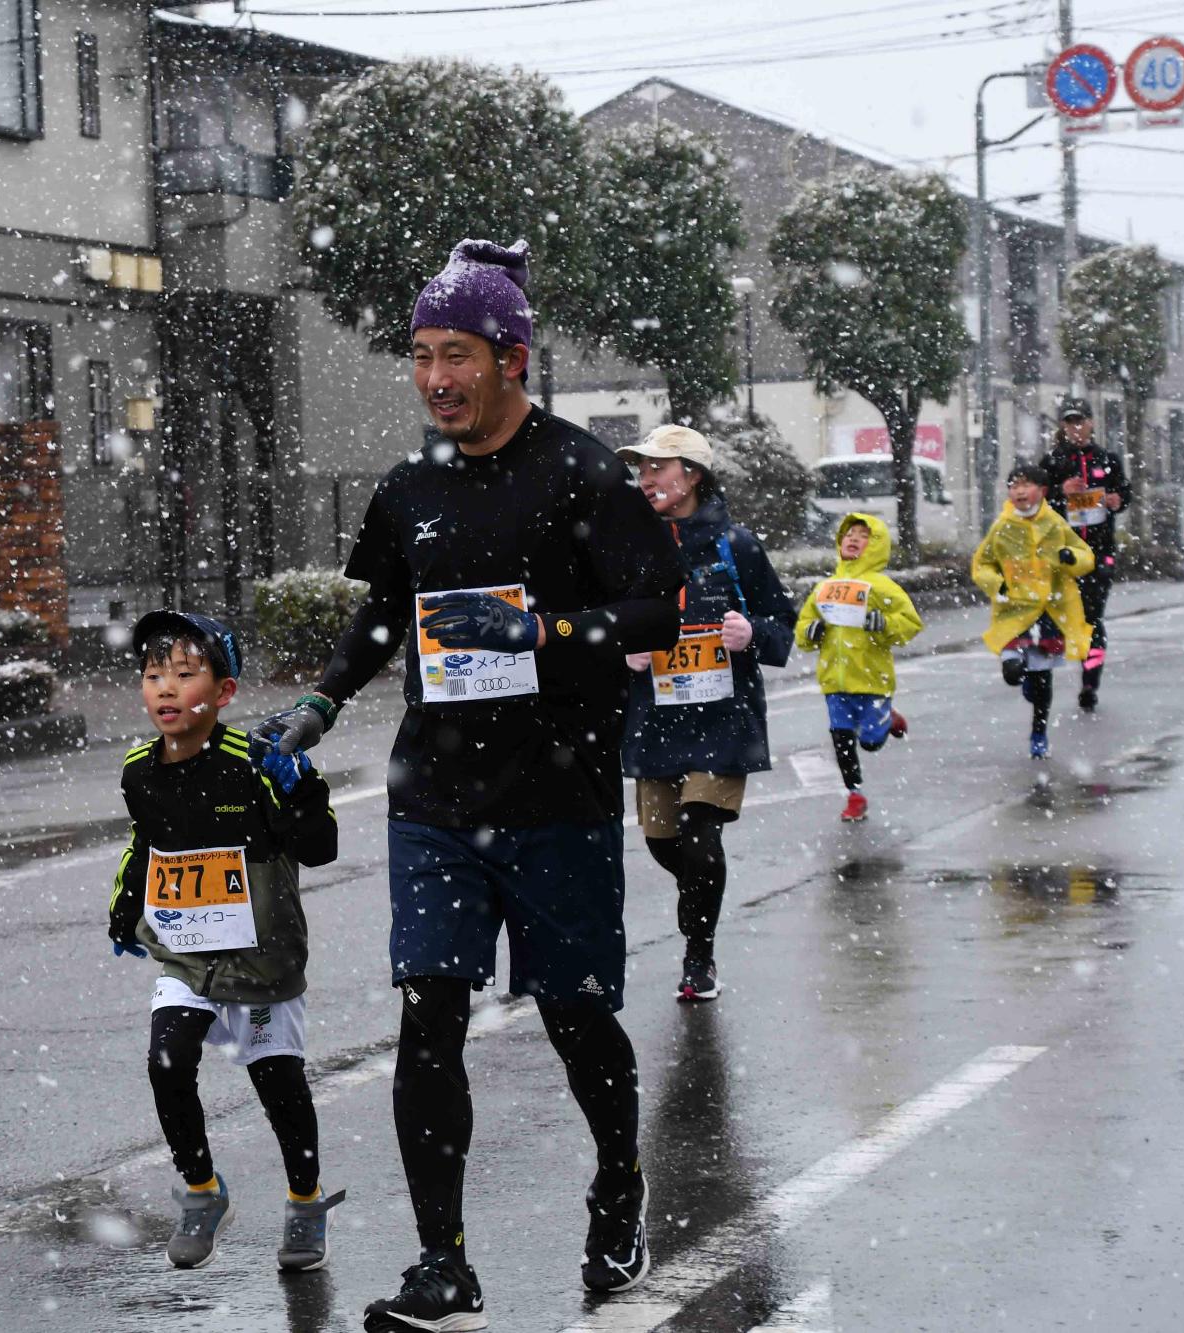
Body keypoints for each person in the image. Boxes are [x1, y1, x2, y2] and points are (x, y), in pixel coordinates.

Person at [251, 238, 686, 1330]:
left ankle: (618, 1187)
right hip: (437, 799)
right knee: (428, 1012)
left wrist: (543, 627)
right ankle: (442, 1264)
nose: (435, 376)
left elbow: (657, 611)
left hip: (560, 796)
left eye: (455, 354)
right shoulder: (409, 489)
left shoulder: (585, 474)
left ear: (510, 358)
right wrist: (322, 702)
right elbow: (381, 612)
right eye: (419, 355)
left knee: (575, 1018)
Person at [106, 610, 346, 1273]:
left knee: (277, 1081)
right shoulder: (139, 770)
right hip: (185, 952)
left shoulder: (255, 764)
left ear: (224, 691)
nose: (166, 689)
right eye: (154, 674)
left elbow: (320, 847)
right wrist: (126, 909)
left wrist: (303, 786)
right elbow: (145, 842)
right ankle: (203, 1190)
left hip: (261, 953)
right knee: (166, 1060)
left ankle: (305, 1200)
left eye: (185, 674)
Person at [616, 424, 795, 1003]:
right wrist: (625, 653)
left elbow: (781, 626)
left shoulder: (735, 545)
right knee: (664, 844)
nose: (645, 480)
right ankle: (701, 894)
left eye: (658, 469)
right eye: (640, 470)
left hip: (722, 715)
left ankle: (699, 955)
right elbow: (599, 624)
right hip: (654, 717)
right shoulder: (627, 547)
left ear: (692, 475)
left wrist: (752, 633)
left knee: (700, 839)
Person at [792, 513, 924, 822]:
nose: (853, 539)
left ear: (876, 545)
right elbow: (803, 627)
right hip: (834, 681)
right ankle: (855, 795)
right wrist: (811, 632)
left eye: (863, 535)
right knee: (842, 740)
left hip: (872, 680)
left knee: (870, 742)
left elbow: (910, 623)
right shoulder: (825, 587)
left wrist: (883, 624)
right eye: (849, 534)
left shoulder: (881, 587)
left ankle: (887, 719)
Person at [970, 464, 1095, 761]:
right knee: (1013, 673)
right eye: (1014, 486)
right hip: (1013, 612)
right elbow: (981, 564)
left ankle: (1039, 731)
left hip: (1048, 609)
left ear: (1043, 491)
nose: (1020, 491)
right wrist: (996, 584)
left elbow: (1085, 557)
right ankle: (1019, 672)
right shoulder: (1002, 526)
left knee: (1041, 685)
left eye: (1026, 485)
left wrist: (1070, 557)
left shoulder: (1055, 525)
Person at [1038, 397, 1129, 712]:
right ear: (1063, 427)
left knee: (1093, 619)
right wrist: (1062, 494)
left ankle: (1091, 680)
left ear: (1091, 423)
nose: (1076, 428)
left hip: (1099, 552)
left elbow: (1124, 493)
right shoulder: (1052, 462)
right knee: (1058, 618)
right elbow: (1036, 503)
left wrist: (1117, 499)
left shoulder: (1108, 459)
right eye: (1069, 422)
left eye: (1080, 421)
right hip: (1062, 554)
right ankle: (1038, 678)